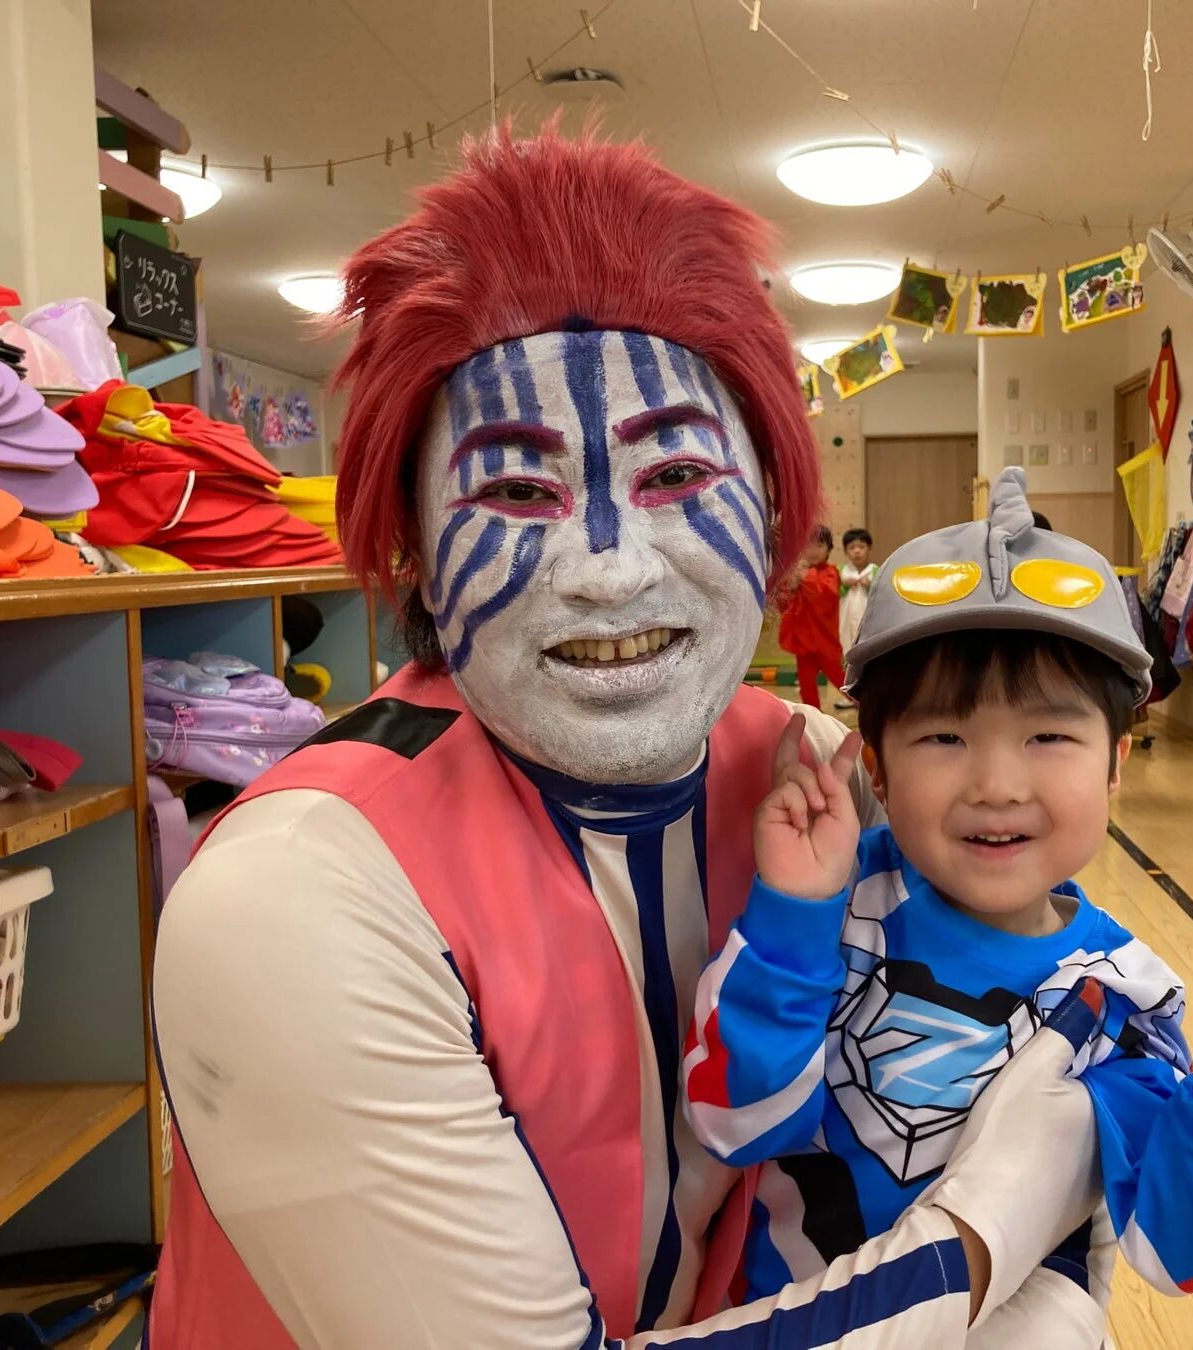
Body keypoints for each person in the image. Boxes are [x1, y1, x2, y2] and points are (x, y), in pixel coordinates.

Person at [150, 123, 1116, 1348]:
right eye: (516, 491)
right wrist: (991, 1226)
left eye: (675, 479)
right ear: (420, 554)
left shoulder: (805, 771)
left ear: (773, 509)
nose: (608, 571)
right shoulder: (299, 894)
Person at [682, 468, 1193, 1342]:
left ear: (1116, 765)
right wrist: (792, 914)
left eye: (1049, 735)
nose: (998, 785)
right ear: (877, 768)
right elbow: (732, 1125)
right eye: (944, 735)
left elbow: (1173, 1249)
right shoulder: (833, 910)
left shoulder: (1120, 999)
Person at [779, 525, 847, 709]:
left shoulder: (831, 572)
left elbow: (824, 596)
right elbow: (784, 605)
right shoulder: (797, 573)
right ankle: (814, 716)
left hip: (824, 640)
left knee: (839, 678)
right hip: (803, 641)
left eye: (820, 545)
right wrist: (791, 585)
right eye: (809, 545)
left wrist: (804, 576)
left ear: (828, 549)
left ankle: (866, 705)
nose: (814, 550)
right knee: (806, 684)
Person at [838, 526, 879, 650]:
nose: (857, 551)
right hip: (846, 616)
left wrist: (869, 586)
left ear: (869, 548)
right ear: (845, 551)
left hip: (867, 616)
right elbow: (835, 593)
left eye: (861, 547)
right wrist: (844, 586)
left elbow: (880, 594)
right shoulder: (842, 570)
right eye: (852, 548)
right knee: (847, 644)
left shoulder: (874, 569)